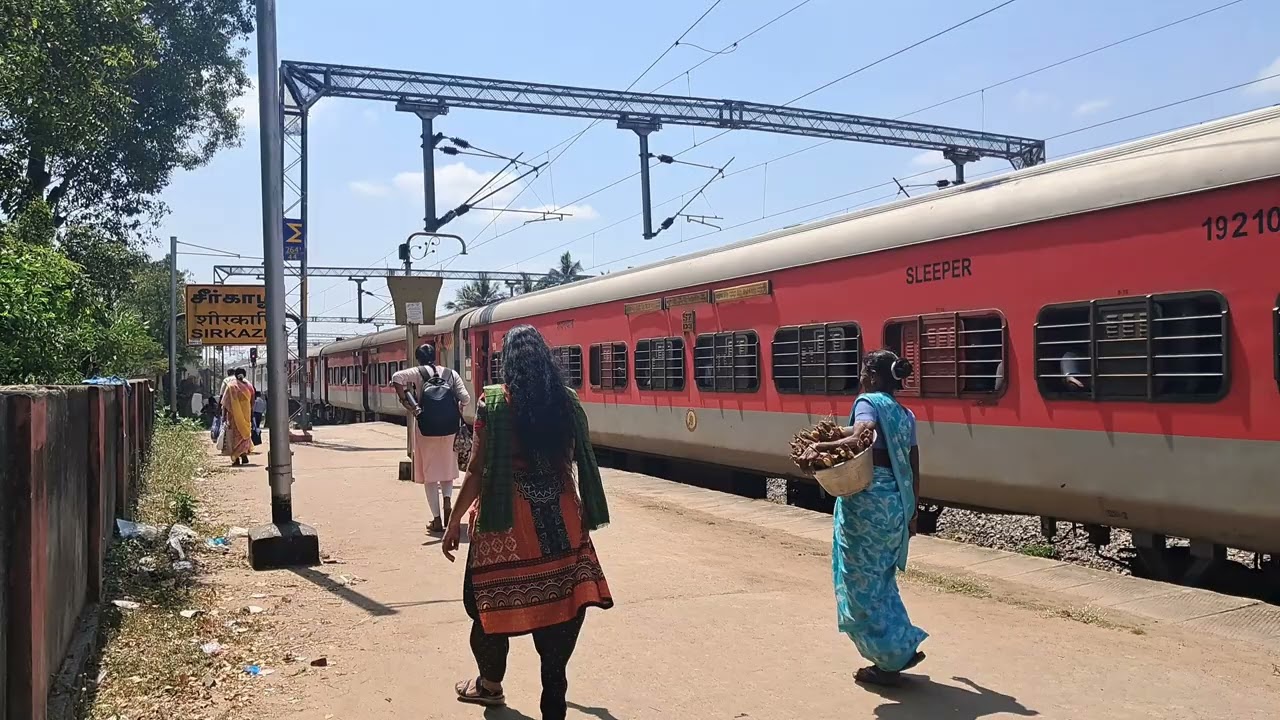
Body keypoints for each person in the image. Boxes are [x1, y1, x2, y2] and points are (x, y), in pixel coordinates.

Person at [441, 324, 612, 718]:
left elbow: (478, 470)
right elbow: (569, 458)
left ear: (509, 363)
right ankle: (554, 689)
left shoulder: (494, 403)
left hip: (506, 522)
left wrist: (453, 521)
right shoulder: (567, 401)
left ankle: (489, 685)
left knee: (484, 604)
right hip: (563, 518)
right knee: (563, 605)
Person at [800, 349, 927, 687]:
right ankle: (902, 642)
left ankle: (889, 659)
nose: (859, 379)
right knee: (881, 580)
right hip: (897, 505)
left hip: (867, 504)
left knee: (859, 585)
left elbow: (863, 435)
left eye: (861, 372)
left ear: (870, 375)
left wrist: (820, 449)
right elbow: (913, 464)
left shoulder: (867, 401)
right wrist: (912, 511)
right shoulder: (905, 413)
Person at [390, 343, 471, 534]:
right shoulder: (451, 374)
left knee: (430, 475)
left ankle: (436, 519)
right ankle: (448, 501)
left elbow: (396, 377)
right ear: (435, 357)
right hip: (449, 429)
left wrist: (408, 403)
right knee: (447, 469)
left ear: (419, 358)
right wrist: (457, 408)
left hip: (425, 428)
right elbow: (466, 398)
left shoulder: (418, 372)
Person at [219, 368, 255, 466]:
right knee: (244, 435)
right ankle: (243, 455)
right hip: (246, 415)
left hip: (233, 416)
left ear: (235, 375)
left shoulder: (231, 387)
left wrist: (223, 415)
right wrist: (251, 413)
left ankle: (236, 459)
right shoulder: (250, 386)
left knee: (235, 436)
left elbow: (225, 402)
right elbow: (252, 402)